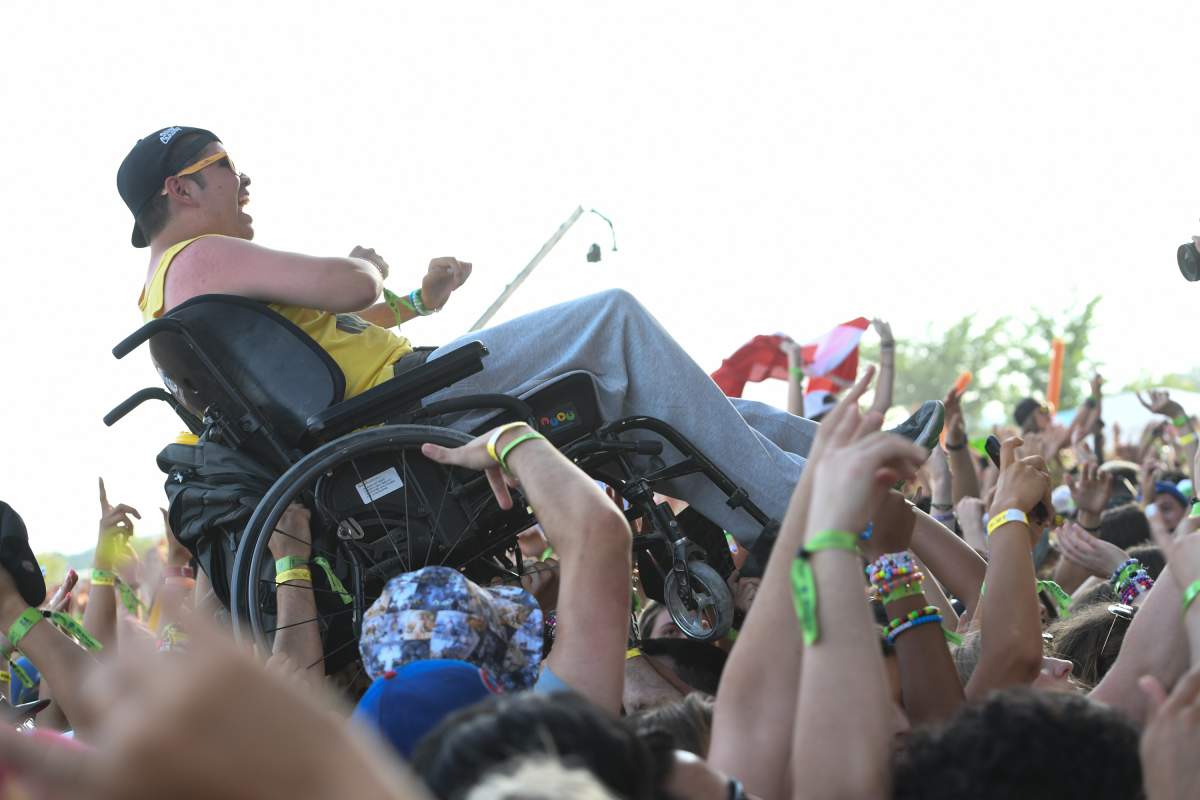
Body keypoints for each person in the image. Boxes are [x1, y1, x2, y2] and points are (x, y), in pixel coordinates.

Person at [116, 126, 942, 545]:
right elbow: (344, 286)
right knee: (615, 315)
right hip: (411, 402)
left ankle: (831, 457)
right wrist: (368, 267)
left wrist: (410, 297)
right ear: (182, 186)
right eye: (227, 164)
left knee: (658, 395)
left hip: (389, 398)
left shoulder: (178, 283)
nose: (244, 178)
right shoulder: (201, 257)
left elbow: (330, 336)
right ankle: (802, 497)